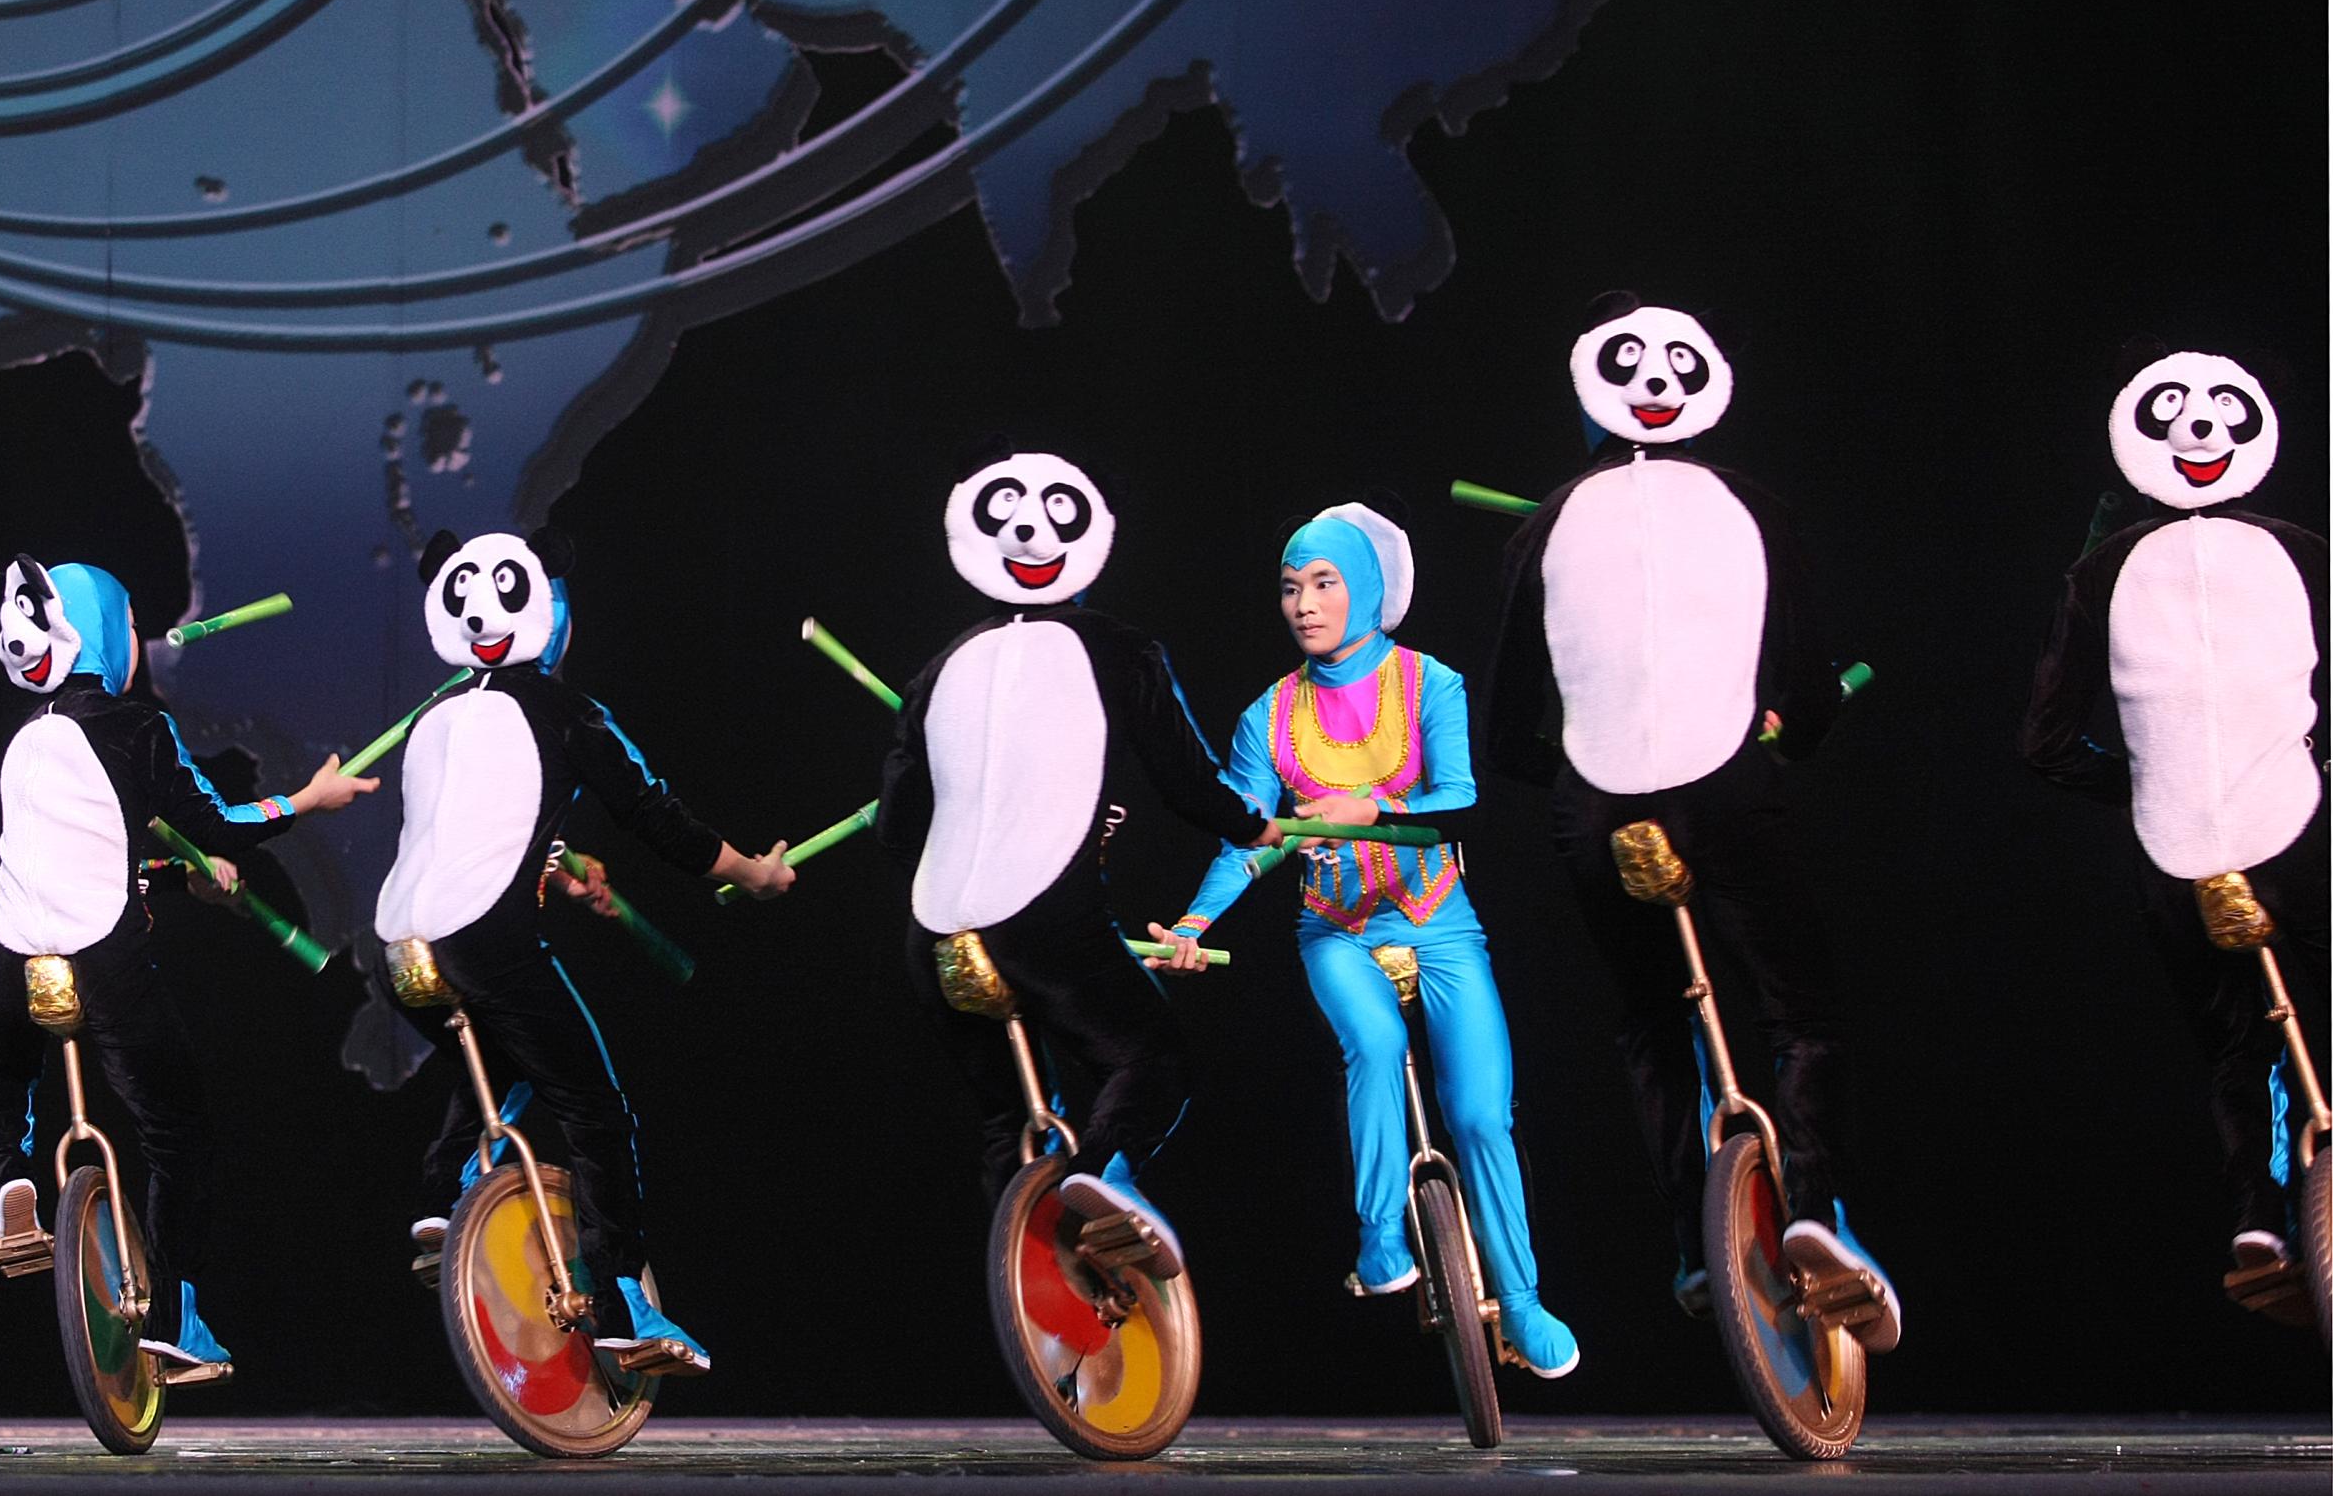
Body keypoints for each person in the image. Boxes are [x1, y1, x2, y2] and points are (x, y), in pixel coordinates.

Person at [1480, 294, 1900, 1353]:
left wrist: (1572, 769)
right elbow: (1807, 689)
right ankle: (1814, 1208)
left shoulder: (1545, 523)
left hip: (1595, 804)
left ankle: (1692, 1243)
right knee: (1798, 1013)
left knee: (1651, 1022)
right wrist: (1787, 730)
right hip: (1725, 789)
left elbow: (1507, 726)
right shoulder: (1754, 507)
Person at [1146, 500, 1579, 1377]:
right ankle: (1381, 1235)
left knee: (1481, 1115)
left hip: (1440, 921)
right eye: (1289, 587)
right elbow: (1248, 840)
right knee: (1374, 1046)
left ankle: (1523, 1301)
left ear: (1370, 590)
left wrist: (1372, 810)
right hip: (1336, 931)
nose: (1303, 604)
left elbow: (1459, 799)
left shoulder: (1430, 684)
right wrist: (1192, 924)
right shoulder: (1269, 715)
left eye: (1324, 583)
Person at [377, 528, 792, 1372]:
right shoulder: (567, 713)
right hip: (488, 941)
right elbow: (655, 814)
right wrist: (753, 873)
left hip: (398, 947)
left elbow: (466, 828)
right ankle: (623, 1303)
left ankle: (442, 1197)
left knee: (509, 1060)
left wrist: (558, 863)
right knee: (597, 1110)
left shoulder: (432, 714)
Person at [877, 449, 1279, 1269]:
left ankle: (1028, 1282)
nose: (1031, 533)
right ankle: (1103, 1179)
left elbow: (896, 826)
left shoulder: (936, 669)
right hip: (1043, 924)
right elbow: (1184, 776)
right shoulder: (1118, 649)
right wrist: (1251, 826)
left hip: (933, 936)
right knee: (1149, 1058)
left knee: (1006, 1122)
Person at [0, 555, 376, 1368]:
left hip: (12, 953)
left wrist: (179, 874)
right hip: (103, 958)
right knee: (178, 1131)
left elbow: (88, 848)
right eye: (127, 625)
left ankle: (9, 1179)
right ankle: (173, 1311)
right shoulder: (137, 729)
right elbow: (219, 822)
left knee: (2, 1075)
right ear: (100, 634)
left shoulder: (23, 741)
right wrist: (307, 800)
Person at [2022, 342, 2327, 1312]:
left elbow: (2044, 743)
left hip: (2174, 849)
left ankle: (2256, 1216)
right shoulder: (2306, 554)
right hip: (2299, 828)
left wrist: (2147, 779)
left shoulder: (2097, 575)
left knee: (2237, 1044)